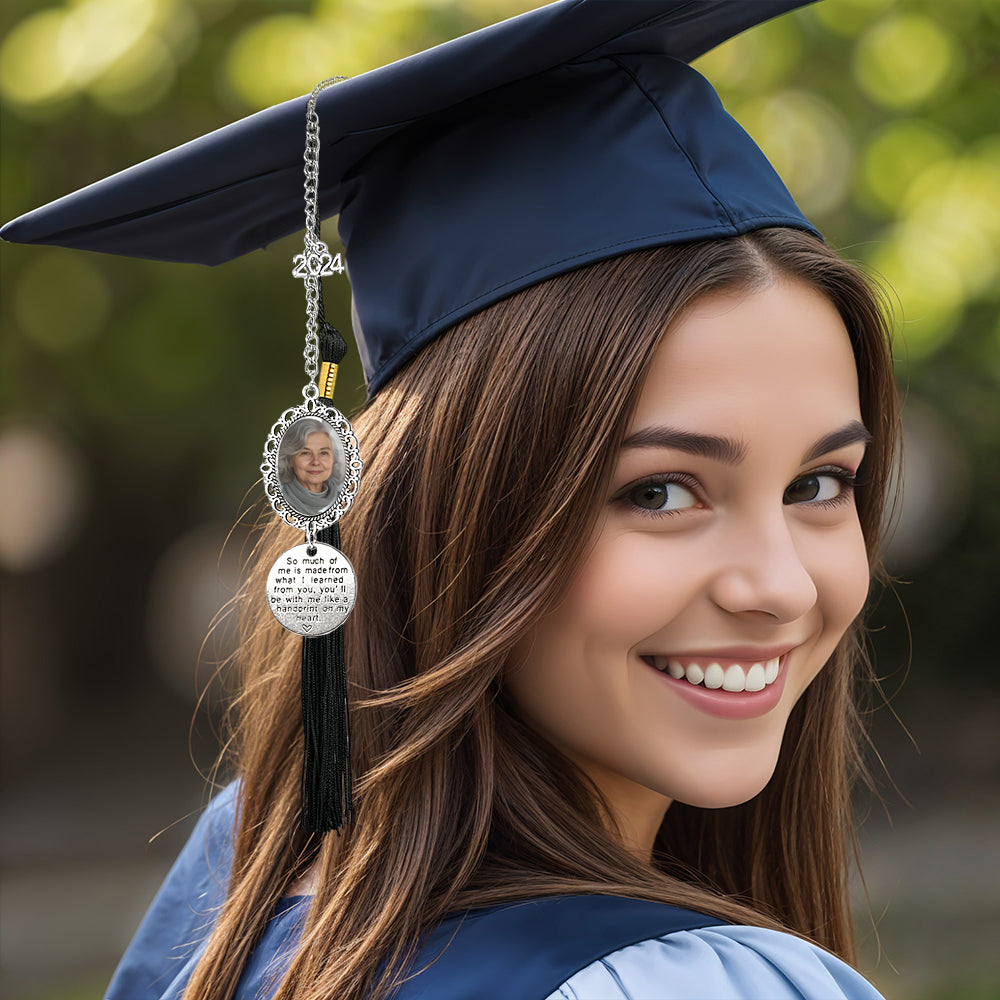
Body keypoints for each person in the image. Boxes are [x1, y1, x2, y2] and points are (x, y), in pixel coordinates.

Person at [1, 3, 901, 999]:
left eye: (819, 485)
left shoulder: (244, 902)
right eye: (658, 491)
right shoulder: (680, 984)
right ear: (449, 522)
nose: (777, 585)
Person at [276, 418, 343, 516]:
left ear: (334, 458)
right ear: (290, 459)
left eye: (324, 453)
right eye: (306, 453)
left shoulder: (342, 500)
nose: (316, 462)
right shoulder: (283, 502)